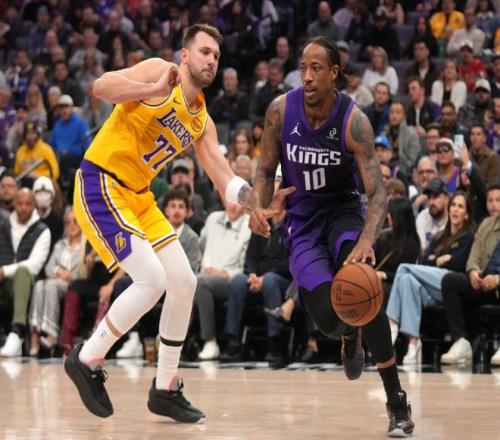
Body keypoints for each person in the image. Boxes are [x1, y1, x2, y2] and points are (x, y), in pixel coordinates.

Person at [65, 24, 287, 422]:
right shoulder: (158, 71)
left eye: (216, 56)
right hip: (101, 181)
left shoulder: (201, 119)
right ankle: (87, 358)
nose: (211, 60)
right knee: (152, 279)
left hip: (139, 197)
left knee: (184, 281)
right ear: (185, 55)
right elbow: (100, 87)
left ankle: (165, 388)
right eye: (204, 52)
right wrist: (150, 90)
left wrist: (256, 204)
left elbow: (223, 177)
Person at [248, 37, 414, 437]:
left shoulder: (354, 120)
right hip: (302, 222)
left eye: (316, 68)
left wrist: (365, 242)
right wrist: (258, 207)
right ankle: (348, 334)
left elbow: (378, 193)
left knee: (365, 287)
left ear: (334, 73)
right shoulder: (279, 111)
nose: (306, 76)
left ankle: (396, 402)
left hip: (342, 213)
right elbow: (264, 170)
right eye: (303, 68)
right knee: (327, 320)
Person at [387, 191, 474, 364]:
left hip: (450, 286)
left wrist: (438, 261)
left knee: (404, 268)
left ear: (466, 214)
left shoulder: (468, 237)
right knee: (406, 280)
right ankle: (413, 342)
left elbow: (457, 264)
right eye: (453, 205)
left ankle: (391, 322)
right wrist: (439, 261)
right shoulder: (439, 237)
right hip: (431, 288)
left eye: (460, 206)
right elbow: (425, 261)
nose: (455, 209)